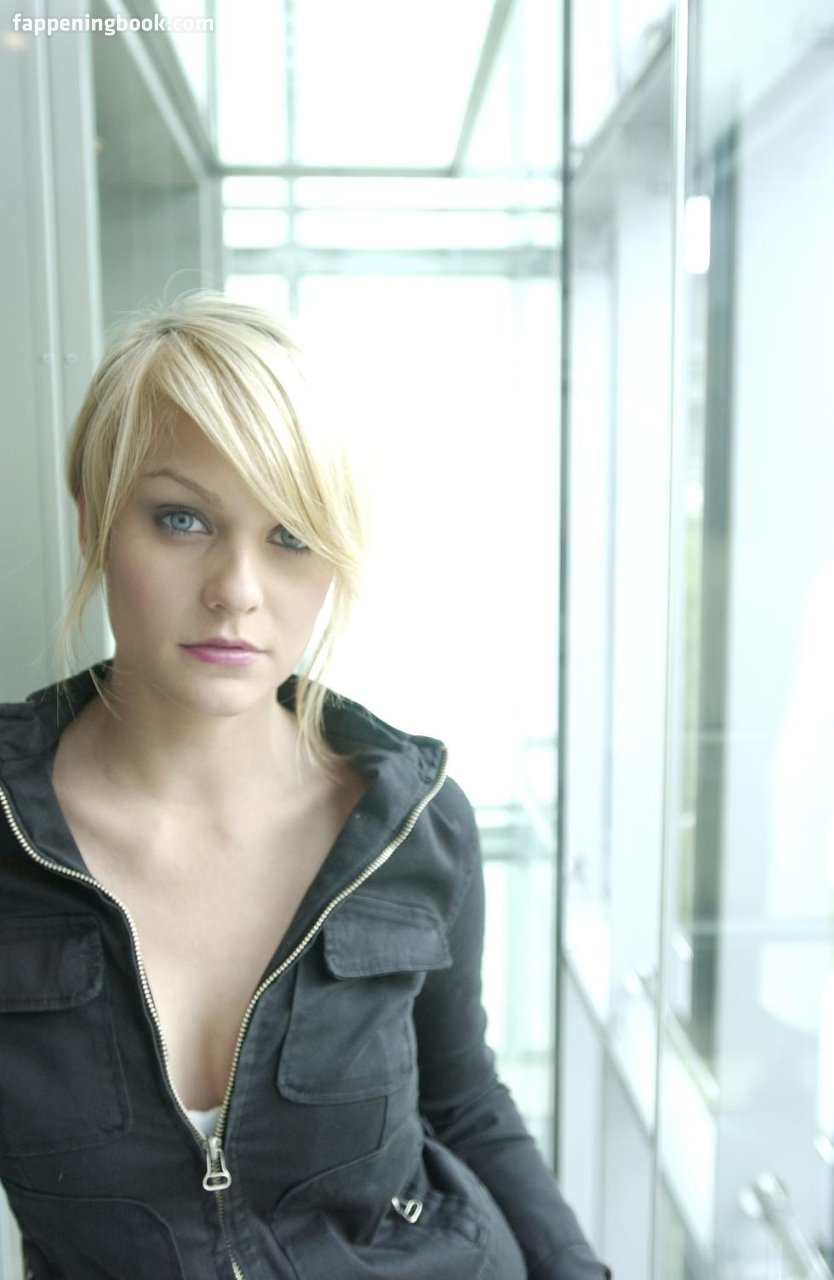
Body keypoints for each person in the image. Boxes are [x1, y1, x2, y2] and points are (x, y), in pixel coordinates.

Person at [0, 295, 610, 1279]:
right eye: (182, 519)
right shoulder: (11, 830)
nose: (237, 589)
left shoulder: (409, 822)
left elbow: (464, 1103)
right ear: (94, 518)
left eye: (291, 536)